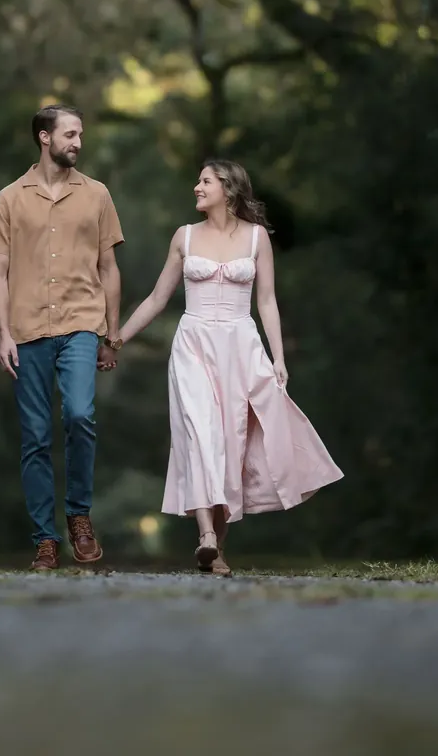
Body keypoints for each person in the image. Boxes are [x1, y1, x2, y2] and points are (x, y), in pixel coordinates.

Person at [111, 159, 342, 575]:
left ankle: (217, 550)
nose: (196, 187)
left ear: (228, 189)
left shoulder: (256, 239)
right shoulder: (184, 237)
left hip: (241, 345)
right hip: (193, 344)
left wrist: (279, 358)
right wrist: (118, 339)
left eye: (205, 181)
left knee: (232, 443)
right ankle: (206, 536)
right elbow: (156, 298)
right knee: (201, 434)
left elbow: (266, 301)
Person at [0, 105, 124, 571]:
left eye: (80, 134)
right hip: (26, 329)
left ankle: (79, 517)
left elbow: (109, 267)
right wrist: (3, 333)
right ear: (45, 138)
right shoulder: (9, 198)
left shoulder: (98, 195)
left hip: (82, 323)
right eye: (70, 134)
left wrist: (112, 333)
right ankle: (45, 538)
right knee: (36, 437)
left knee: (81, 415)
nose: (78, 142)